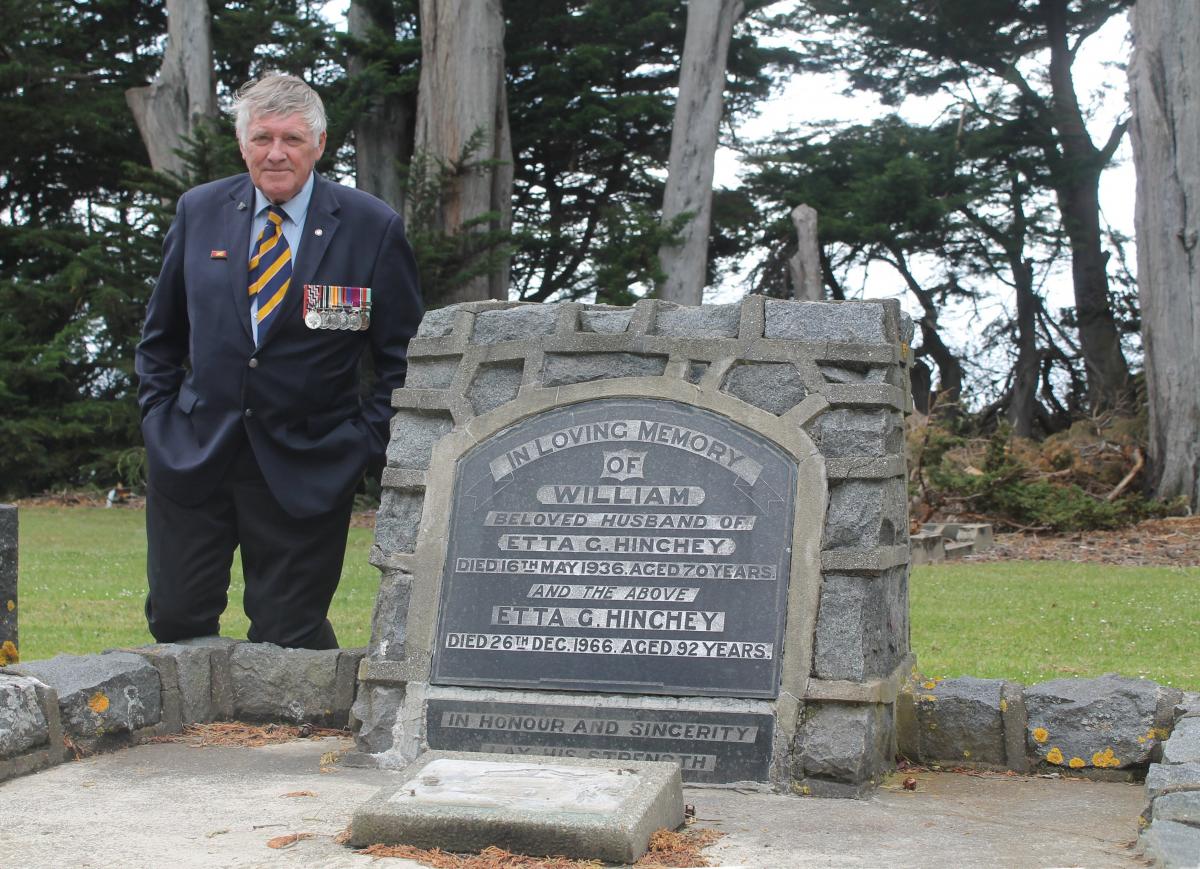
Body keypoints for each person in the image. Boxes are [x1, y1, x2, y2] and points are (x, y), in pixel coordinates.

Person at [135, 73, 423, 649]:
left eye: (291, 139)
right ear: (242, 144)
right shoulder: (199, 211)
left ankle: (299, 739)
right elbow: (160, 338)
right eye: (262, 137)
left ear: (319, 145)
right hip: (195, 453)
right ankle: (197, 740)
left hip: (309, 463)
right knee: (175, 619)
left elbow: (404, 362)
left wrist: (362, 442)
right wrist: (159, 417)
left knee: (289, 634)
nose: (275, 153)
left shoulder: (371, 228)